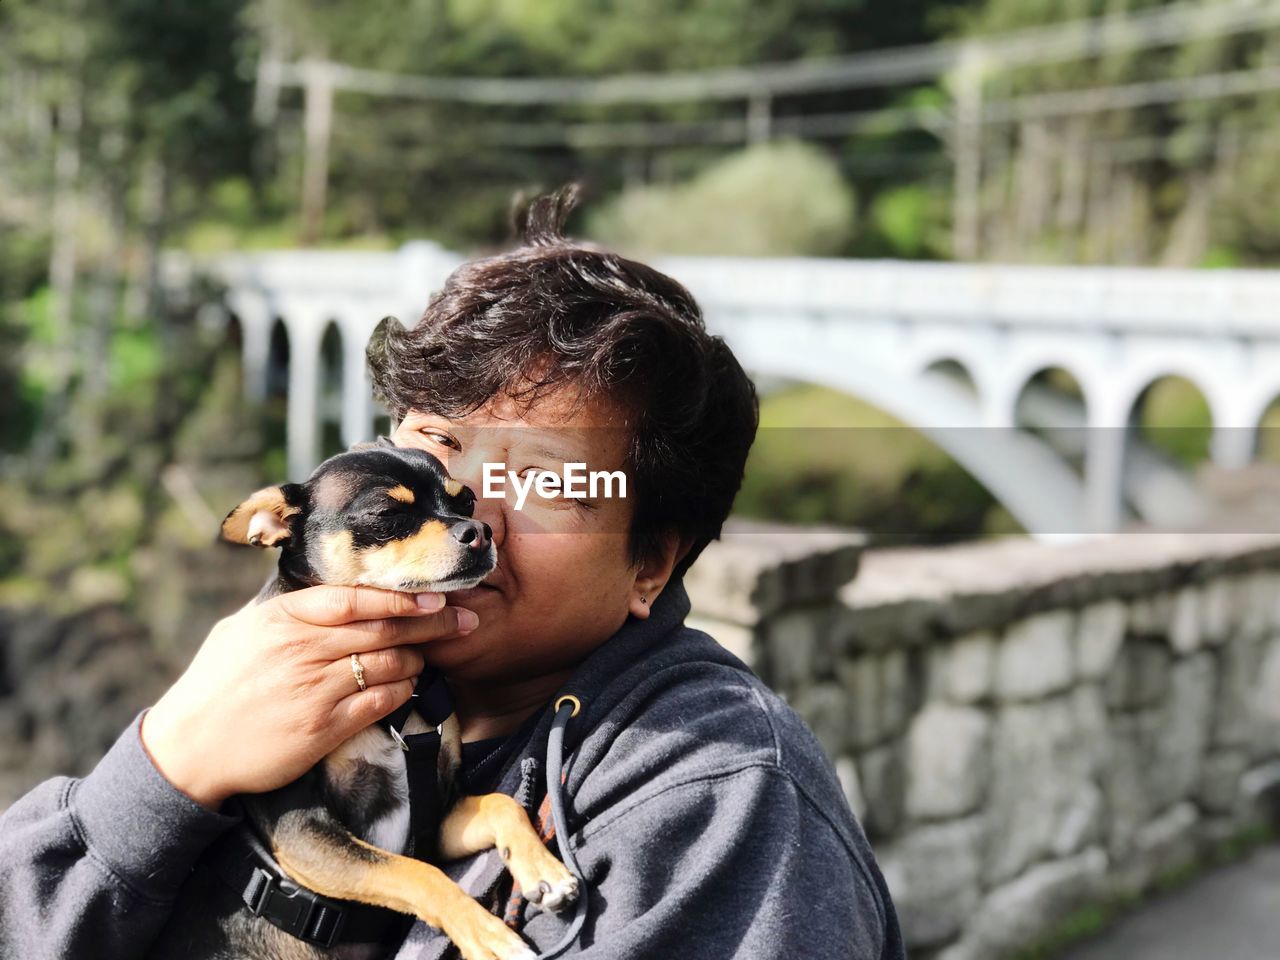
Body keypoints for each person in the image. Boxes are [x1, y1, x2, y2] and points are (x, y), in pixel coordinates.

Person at [0, 186, 904, 959]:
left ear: (650, 566)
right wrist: (166, 770)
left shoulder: (717, 800)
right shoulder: (274, 713)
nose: (466, 509)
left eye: (547, 479)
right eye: (438, 445)